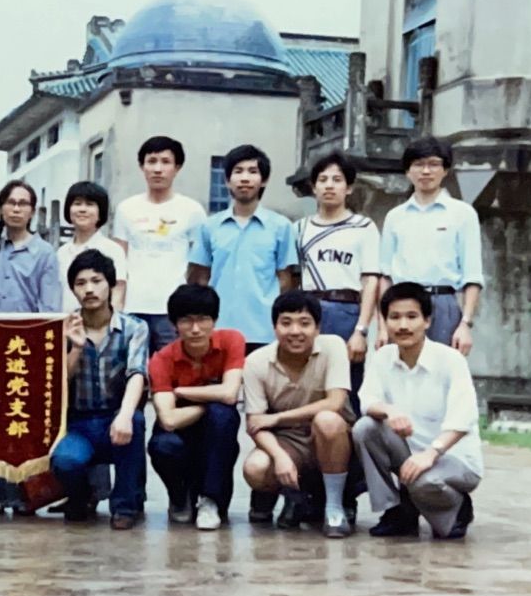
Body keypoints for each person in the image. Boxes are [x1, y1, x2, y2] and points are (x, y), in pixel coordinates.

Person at [353, 282, 483, 540]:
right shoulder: (382, 357)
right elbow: (367, 401)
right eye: (395, 317)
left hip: (453, 458)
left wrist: (432, 453)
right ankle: (396, 510)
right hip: (410, 456)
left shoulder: (450, 360)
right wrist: (389, 411)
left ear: (427, 321)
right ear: (385, 322)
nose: (403, 325)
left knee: (427, 489)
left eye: (412, 317)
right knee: (364, 428)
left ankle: (458, 507)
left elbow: (463, 418)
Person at [241, 291, 356, 538]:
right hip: (289, 441)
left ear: (318, 328)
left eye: (304, 323)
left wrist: (278, 418)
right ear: (274, 327)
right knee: (255, 468)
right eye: (286, 323)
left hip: (335, 439)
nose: (295, 331)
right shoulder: (256, 362)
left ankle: (334, 506)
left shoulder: (334, 346)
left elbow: (335, 402)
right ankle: (296, 496)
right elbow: (255, 423)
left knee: (327, 420)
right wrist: (279, 456)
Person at [51, 250, 148, 530]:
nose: (89, 289)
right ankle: (82, 497)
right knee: (65, 461)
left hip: (115, 416)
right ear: (73, 290)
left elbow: (137, 374)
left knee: (136, 421)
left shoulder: (134, 327)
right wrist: (76, 348)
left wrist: (125, 415)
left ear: (111, 284)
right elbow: (56, 384)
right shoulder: (62, 328)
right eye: (81, 283)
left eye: (96, 281)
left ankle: (125, 506)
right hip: (77, 422)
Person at [0, 179, 63, 513]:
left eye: (23, 203)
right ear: (1, 207)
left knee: (21, 421)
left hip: (27, 347)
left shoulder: (44, 253)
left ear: (32, 211)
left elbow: (49, 307)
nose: (16, 209)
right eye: (10, 202)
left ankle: (20, 494)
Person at [147, 284, 244, 531]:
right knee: (162, 445)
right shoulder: (161, 359)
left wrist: (181, 392)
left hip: (217, 434)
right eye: (186, 321)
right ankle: (180, 497)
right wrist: (208, 404)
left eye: (203, 319)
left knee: (223, 416)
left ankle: (210, 500)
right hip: (180, 430)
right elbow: (168, 419)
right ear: (174, 324)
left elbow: (229, 393)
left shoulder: (232, 340)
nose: (195, 329)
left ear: (215, 320)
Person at [188, 144, 298, 354]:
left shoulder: (281, 227)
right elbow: (200, 277)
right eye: (238, 171)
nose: (245, 178)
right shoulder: (210, 227)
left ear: (264, 180)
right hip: (218, 328)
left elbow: (286, 280)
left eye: (252, 171)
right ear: (227, 180)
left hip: (264, 330)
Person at [378, 137, 483, 354]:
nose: (426, 171)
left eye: (434, 164)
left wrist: (465, 324)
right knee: (400, 369)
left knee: (442, 368)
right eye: (418, 164)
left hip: (443, 303)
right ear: (408, 171)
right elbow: (385, 275)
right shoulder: (395, 217)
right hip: (402, 303)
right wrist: (381, 326)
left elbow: (472, 275)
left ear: (445, 170)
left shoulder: (462, 213)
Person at [296, 151, 380, 414]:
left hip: (347, 311)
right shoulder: (299, 228)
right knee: (308, 383)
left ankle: (354, 438)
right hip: (309, 311)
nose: (329, 186)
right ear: (314, 187)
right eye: (323, 180)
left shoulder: (363, 227)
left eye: (337, 179)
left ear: (349, 187)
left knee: (349, 386)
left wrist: (361, 330)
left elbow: (371, 280)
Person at [113, 136, 207, 355]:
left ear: (177, 167)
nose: (158, 169)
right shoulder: (126, 208)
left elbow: (200, 265)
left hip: (174, 311)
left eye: (165, 162)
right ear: (142, 166)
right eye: (151, 161)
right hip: (133, 308)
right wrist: (116, 306)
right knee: (132, 369)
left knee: (173, 368)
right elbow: (118, 261)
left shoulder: (192, 210)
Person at [57, 181, 128, 312]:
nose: (82, 209)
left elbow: (118, 293)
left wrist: (112, 322)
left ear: (101, 211)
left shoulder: (112, 250)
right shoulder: (61, 253)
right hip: (67, 320)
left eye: (90, 204)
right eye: (77, 203)